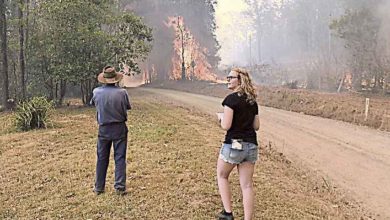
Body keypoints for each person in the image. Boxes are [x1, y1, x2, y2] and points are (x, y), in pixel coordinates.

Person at [216, 68, 260, 220]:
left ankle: (228, 213)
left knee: (222, 175)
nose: (228, 79)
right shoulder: (252, 101)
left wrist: (221, 118)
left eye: (231, 77)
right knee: (247, 185)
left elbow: (226, 126)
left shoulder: (231, 100)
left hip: (234, 145)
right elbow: (256, 126)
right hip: (251, 146)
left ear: (240, 80)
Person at [90, 65, 131, 195]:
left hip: (104, 129)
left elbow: (94, 104)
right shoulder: (122, 93)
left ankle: (99, 187)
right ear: (116, 79)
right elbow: (127, 107)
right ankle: (119, 187)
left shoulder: (96, 92)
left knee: (102, 158)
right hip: (119, 128)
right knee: (119, 157)